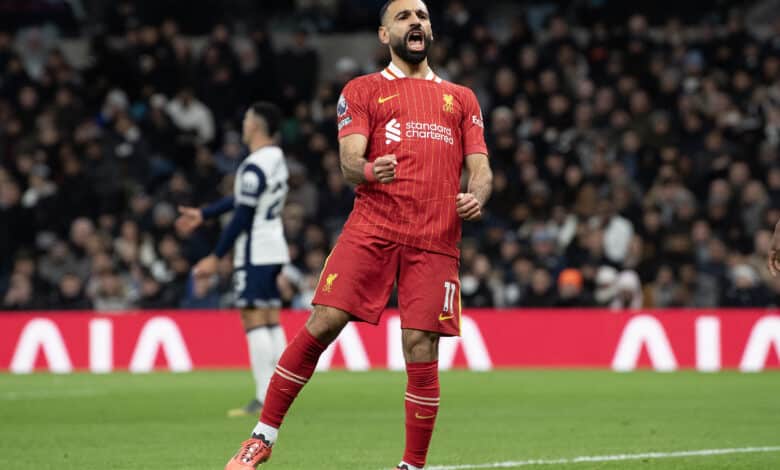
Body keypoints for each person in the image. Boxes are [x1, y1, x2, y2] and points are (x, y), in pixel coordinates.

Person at [224, 1, 492, 469]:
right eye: (405, 16)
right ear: (384, 34)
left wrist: (479, 195)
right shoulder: (362, 90)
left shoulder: (461, 99)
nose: (417, 22)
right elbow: (350, 162)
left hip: (435, 237)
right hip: (374, 227)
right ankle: (261, 437)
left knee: (420, 346)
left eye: (423, 16)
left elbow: (481, 167)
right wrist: (371, 168)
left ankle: (412, 466)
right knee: (323, 322)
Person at [177, 102, 290, 417]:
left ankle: (265, 396)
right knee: (269, 316)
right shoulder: (276, 159)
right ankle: (284, 390)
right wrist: (205, 213)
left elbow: (243, 213)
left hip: (254, 249)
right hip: (274, 245)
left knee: (252, 316)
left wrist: (216, 256)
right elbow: (241, 199)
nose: (243, 125)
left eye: (246, 119)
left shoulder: (254, 164)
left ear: (255, 125)